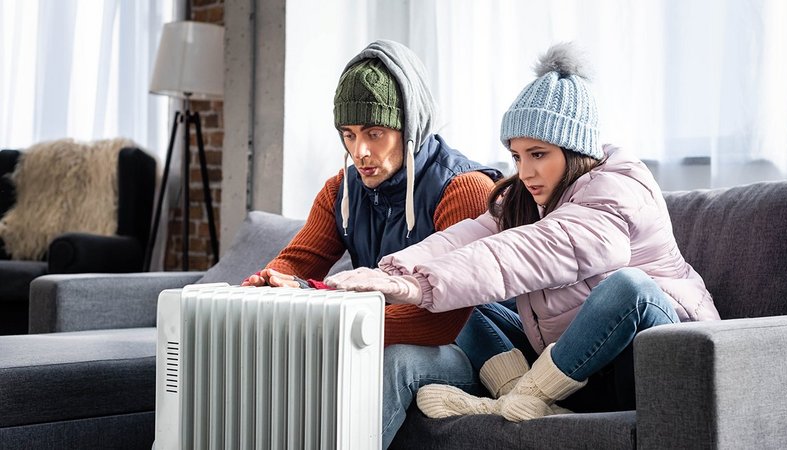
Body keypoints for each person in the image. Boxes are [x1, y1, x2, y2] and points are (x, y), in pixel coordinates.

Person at [325, 42, 721, 422]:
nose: (525, 171)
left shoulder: (616, 191)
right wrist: (394, 273)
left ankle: (522, 399)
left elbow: (525, 252)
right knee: (464, 298)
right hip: (575, 369)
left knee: (630, 288)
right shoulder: (531, 196)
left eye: (538, 155)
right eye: (517, 156)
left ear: (576, 150)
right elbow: (468, 237)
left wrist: (419, 287)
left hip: (649, 357)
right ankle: (521, 400)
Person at [241, 40, 503, 447]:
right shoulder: (341, 191)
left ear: (409, 126)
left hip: (473, 348)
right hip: (372, 332)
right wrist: (269, 284)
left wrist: (331, 322)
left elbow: (444, 321)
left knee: (395, 360)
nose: (359, 151)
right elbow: (296, 263)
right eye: (349, 135)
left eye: (375, 133)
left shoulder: (464, 188)